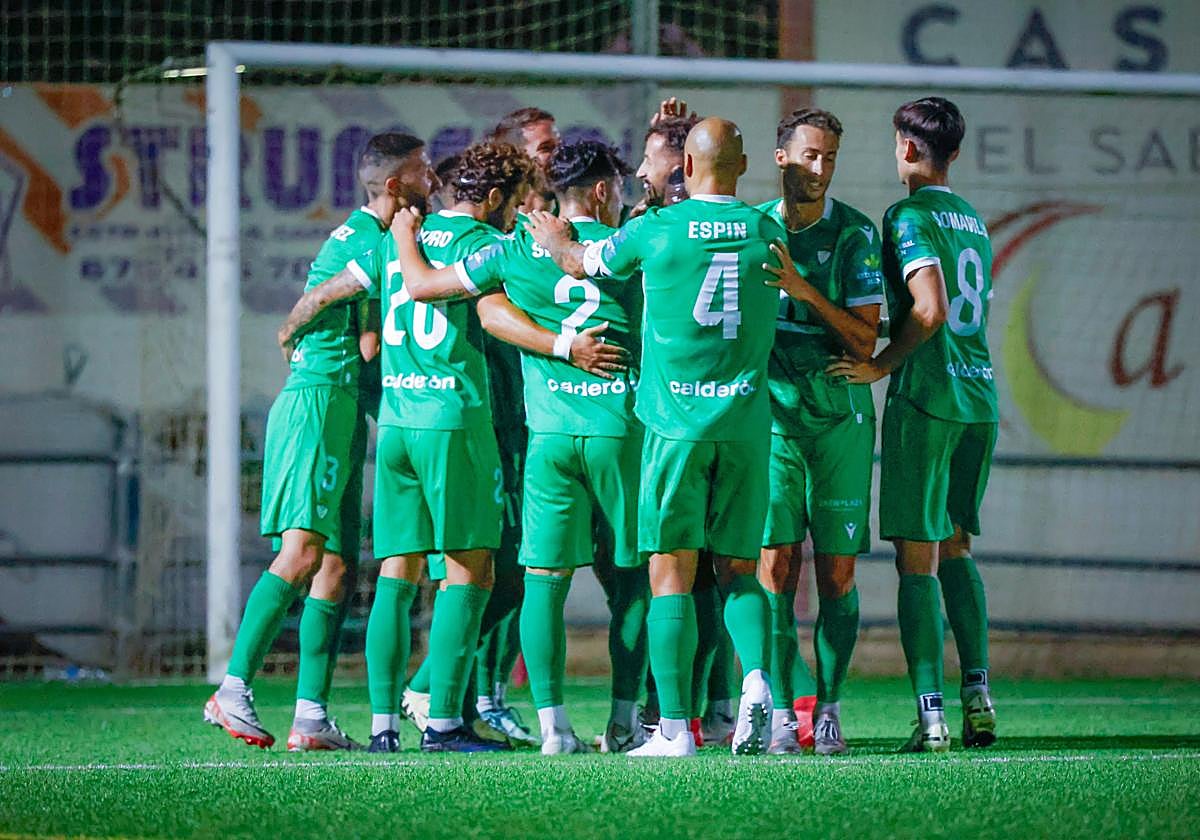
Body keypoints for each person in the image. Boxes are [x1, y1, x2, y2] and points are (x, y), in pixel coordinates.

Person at [276, 141, 625, 753]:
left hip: (397, 423)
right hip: (454, 421)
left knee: (396, 572)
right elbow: (491, 317)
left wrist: (294, 320)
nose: (519, 213)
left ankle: (383, 727)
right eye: (515, 202)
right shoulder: (483, 247)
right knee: (474, 571)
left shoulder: (397, 236)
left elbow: (357, 302)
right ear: (493, 199)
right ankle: (442, 721)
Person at [527, 118, 784, 758]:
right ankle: (755, 682)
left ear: (687, 169)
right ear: (744, 164)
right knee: (739, 572)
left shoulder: (656, 230)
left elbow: (583, 262)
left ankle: (674, 731)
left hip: (674, 428)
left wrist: (557, 238)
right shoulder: (767, 231)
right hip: (748, 426)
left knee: (670, 577)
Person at [398, 140, 648, 755]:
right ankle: (625, 721)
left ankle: (553, 729)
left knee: (543, 582)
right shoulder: (629, 252)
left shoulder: (512, 250)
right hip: (619, 430)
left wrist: (406, 236)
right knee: (637, 581)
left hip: (550, 438)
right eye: (617, 187)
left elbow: (427, 288)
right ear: (600, 191)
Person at [202, 133, 432, 751]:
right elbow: (327, 296)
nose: (431, 181)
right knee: (304, 553)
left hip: (343, 404)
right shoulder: (369, 238)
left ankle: (311, 716)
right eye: (423, 172)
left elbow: (365, 337)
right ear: (394, 185)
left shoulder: (381, 239)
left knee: (335, 564)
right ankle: (233, 687)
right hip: (318, 402)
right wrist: (291, 323)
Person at [827, 97, 998, 752]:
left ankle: (929, 715)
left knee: (916, 559)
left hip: (928, 397)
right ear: (953, 152)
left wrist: (880, 364)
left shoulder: (907, 215)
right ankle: (978, 693)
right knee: (958, 546)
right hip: (980, 398)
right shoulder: (972, 219)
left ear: (905, 148)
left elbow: (927, 309)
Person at [755, 108, 883, 755]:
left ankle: (828, 706)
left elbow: (865, 336)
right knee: (773, 567)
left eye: (829, 157)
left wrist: (804, 289)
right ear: (781, 158)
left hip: (839, 419)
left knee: (836, 575)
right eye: (809, 155)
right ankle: (782, 710)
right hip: (773, 422)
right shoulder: (753, 231)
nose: (820, 168)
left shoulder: (856, 235)